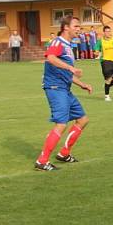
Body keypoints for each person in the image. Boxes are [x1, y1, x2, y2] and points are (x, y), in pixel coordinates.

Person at [35, 15, 92, 171]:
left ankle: (64, 153)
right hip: (55, 88)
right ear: (66, 27)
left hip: (64, 89)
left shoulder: (68, 45)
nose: (78, 30)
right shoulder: (57, 42)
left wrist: (82, 84)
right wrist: (70, 68)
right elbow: (50, 58)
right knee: (61, 124)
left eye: (79, 27)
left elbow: (66, 73)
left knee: (83, 119)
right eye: (76, 26)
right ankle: (42, 161)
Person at [94, 25, 113, 101]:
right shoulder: (100, 41)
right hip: (105, 61)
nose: (109, 33)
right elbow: (96, 50)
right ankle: (107, 96)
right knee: (108, 79)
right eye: (107, 31)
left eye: (109, 31)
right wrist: (96, 53)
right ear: (104, 32)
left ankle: (106, 85)